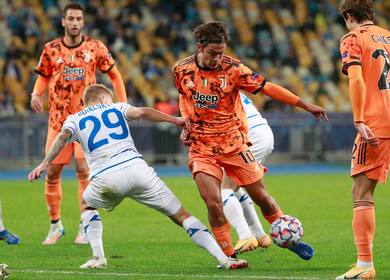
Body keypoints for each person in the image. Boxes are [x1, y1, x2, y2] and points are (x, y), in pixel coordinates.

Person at [28, 84, 248, 270]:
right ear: (104, 98)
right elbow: (142, 112)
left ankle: (98, 257)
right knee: (181, 215)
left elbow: (62, 137)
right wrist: (176, 121)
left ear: (85, 102)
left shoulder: (74, 119)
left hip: (106, 178)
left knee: (86, 203)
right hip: (138, 170)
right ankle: (222, 258)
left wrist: (45, 163)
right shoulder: (117, 107)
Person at [174, 21, 327, 261]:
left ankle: (287, 236)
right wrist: (186, 121)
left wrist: (305, 105)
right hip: (201, 147)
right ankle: (228, 257)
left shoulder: (234, 69)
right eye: (213, 53)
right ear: (199, 47)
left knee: (262, 198)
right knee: (213, 202)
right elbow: (184, 97)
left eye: (221, 53)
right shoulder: (181, 69)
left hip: (234, 143)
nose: (217, 58)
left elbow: (269, 88)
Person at [29, 2, 127, 245]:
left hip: (87, 121)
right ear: (63, 21)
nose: (74, 23)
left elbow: (115, 75)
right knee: (52, 172)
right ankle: (55, 225)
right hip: (58, 121)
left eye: (78, 19)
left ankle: (85, 224)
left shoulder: (95, 47)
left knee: (84, 171)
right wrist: (35, 93)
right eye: (70, 18)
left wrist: (121, 105)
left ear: (83, 22)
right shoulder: (51, 49)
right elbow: (43, 76)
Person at [336, 1, 390, 279]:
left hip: (378, 122)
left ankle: (364, 265)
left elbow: (356, 79)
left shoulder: (352, 39)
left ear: (349, 16)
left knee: (361, 192)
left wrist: (359, 118)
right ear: (371, 14)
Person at [221, 93, 273, 253]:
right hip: (262, 132)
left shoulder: (209, 87)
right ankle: (259, 235)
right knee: (235, 186)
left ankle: (246, 236)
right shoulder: (225, 81)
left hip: (249, 136)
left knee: (221, 189)